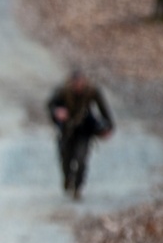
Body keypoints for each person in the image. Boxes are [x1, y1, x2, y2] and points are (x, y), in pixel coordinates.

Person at [46, 69, 115, 199]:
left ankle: (78, 188)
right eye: (75, 83)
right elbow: (50, 105)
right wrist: (57, 113)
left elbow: (104, 109)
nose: (78, 86)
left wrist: (109, 127)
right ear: (71, 83)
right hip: (67, 131)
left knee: (81, 160)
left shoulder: (91, 91)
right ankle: (67, 179)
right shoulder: (63, 91)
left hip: (84, 130)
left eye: (80, 83)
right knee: (66, 159)